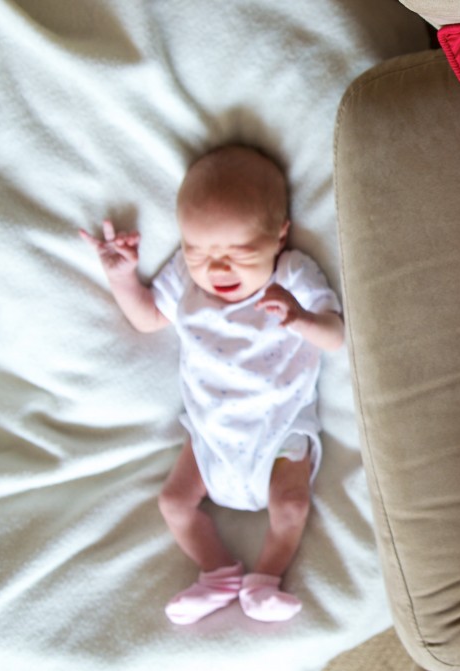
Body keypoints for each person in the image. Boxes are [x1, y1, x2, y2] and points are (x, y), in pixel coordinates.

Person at [80, 145, 344, 624]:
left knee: (289, 503)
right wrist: (122, 278)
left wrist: (300, 317)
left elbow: (336, 336)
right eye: (198, 251)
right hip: (209, 432)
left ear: (279, 236)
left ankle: (266, 576)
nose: (217, 269)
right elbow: (147, 319)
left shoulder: (291, 275)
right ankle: (216, 569)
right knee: (173, 502)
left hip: (278, 426)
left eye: (238, 253)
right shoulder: (185, 279)